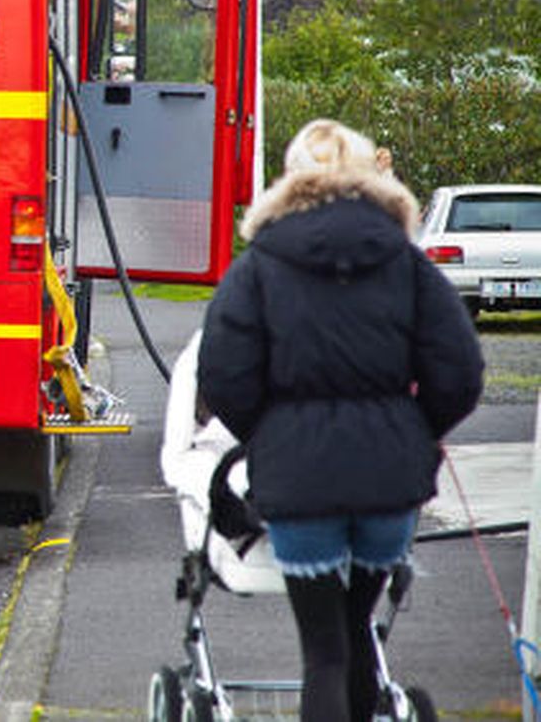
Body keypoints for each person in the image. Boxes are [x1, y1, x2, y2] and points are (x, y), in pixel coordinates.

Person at [197, 119, 483, 722]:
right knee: (358, 630)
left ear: (291, 176)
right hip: (390, 480)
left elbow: (223, 373)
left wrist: (268, 434)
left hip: (299, 480)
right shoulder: (406, 261)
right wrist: (414, 429)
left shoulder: (260, 264)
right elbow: (458, 371)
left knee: (322, 651)